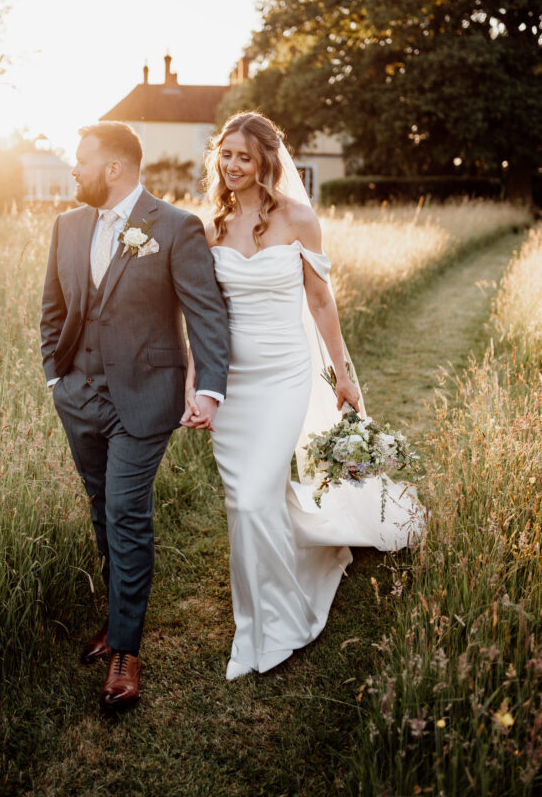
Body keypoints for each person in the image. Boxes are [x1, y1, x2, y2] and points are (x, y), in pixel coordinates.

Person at [182, 112, 422, 680]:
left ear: (267, 160)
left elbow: (320, 303)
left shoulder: (299, 219)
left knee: (253, 495)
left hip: (285, 371)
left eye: (244, 156)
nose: (232, 165)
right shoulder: (208, 226)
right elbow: (203, 314)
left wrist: (344, 374)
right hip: (232, 380)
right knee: (248, 499)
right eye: (226, 155)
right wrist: (196, 380)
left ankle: (274, 624)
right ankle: (260, 616)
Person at [41, 121, 229, 710]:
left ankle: (126, 650)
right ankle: (116, 619)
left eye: (82, 160)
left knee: (125, 512)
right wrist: (56, 376)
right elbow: (52, 308)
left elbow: (207, 315)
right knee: (102, 510)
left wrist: (211, 390)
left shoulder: (175, 228)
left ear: (114, 167)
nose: (74, 170)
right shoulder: (67, 227)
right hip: (79, 397)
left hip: (146, 397)